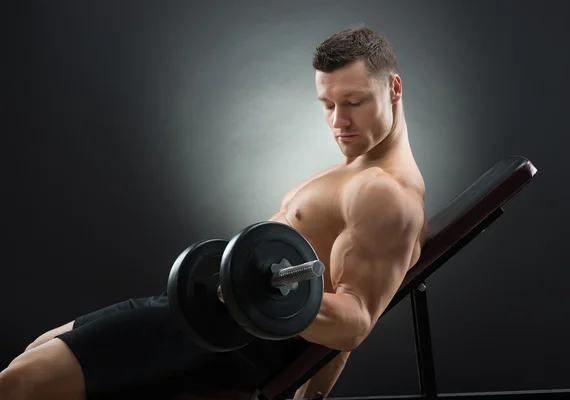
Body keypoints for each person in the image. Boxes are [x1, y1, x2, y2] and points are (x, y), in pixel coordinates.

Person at [0, 25, 427, 400]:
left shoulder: (383, 194)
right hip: (204, 312)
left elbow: (353, 321)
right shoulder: (358, 171)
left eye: (354, 102)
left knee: (20, 384)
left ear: (393, 88)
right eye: (328, 104)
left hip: (231, 340)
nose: (339, 121)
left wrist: (251, 297)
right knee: (33, 354)